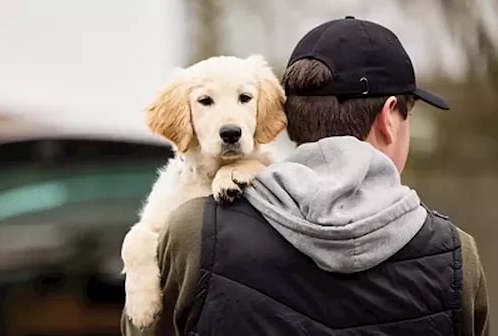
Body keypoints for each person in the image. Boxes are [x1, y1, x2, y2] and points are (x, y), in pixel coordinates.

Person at [121, 16, 489, 336]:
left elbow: (144, 329)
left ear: (285, 117)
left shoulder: (192, 231)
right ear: (390, 117)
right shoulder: (457, 255)